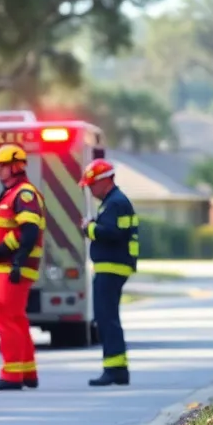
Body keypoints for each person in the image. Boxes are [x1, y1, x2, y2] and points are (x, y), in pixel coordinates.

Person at [0, 143, 45, 391]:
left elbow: (28, 231)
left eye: (3, 166)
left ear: (16, 166)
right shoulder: (14, 193)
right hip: (9, 266)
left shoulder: (24, 194)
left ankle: (11, 375)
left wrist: (5, 252)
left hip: (11, 267)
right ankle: (27, 372)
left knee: (5, 319)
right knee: (16, 319)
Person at [79, 153, 138, 386]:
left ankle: (114, 371)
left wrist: (90, 228)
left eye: (92, 185)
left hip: (112, 267)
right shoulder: (113, 202)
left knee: (107, 318)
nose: (91, 190)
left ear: (105, 181)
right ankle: (117, 369)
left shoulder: (115, 203)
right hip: (112, 267)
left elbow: (113, 234)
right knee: (107, 318)